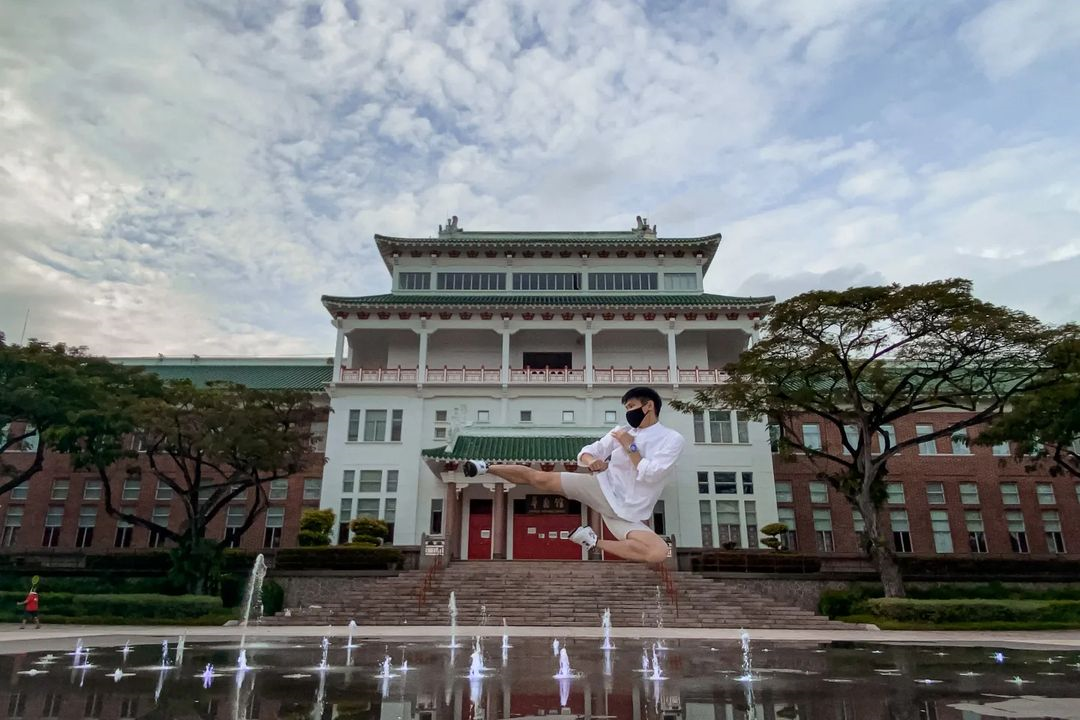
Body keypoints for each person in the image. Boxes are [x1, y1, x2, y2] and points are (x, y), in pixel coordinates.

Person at [464, 386, 685, 564]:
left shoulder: (671, 439)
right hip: (603, 488)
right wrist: (592, 462)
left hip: (627, 512)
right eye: (626, 408)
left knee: (657, 552)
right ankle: (485, 467)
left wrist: (631, 448)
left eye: (632, 406)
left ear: (649, 406)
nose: (628, 412)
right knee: (540, 479)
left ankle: (591, 540)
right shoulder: (621, 432)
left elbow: (651, 475)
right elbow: (587, 452)